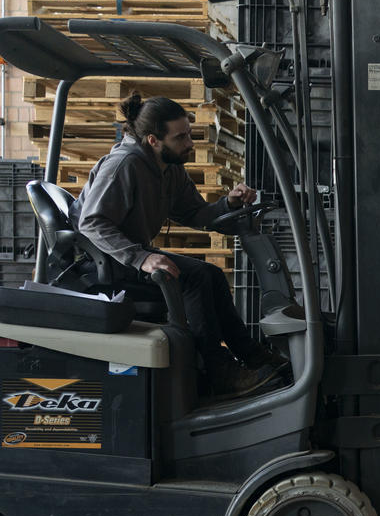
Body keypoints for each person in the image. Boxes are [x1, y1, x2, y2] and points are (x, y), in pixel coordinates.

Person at [70, 93, 287, 396]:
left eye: (189, 133)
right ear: (153, 140)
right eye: (181, 137)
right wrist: (141, 258)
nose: (190, 143)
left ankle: (251, 355)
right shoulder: (124, 165)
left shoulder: (169, 167)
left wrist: (228, 203)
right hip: (105, 261)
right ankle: (218, 373)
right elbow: (92, 223)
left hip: (127, 256)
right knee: (195, 278)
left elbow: (195, 214)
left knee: (209, 274)